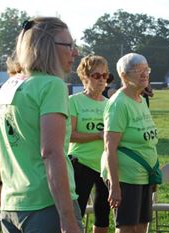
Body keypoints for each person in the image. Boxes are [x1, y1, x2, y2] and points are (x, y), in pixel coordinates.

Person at [0, 17, 82, 232]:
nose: (75, 53)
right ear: (47, 47)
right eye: (69, 45)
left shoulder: (9, 85)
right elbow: (51, 152)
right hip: (47, 205)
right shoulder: (52, 85)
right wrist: (67, 218)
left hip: (11, 205)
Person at [101, 53, 159, 233]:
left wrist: (153, 171)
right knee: (127, 228)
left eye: (146, 69)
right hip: (126, 177)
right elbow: (110, 147)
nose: (144, 74)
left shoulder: (141, 100)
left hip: (144, 176)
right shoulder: (119, 103)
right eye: (138, 70)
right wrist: (115, 187)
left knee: (142, 227)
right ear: (124, 75)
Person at [68, 55, 111, 233]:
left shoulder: (110, 104)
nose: (102, 79)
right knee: (76, 213)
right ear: (85, 77)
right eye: (96, 75)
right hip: (81, 163)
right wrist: (98, 135)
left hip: (105, 166)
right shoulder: (74, 101)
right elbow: (70, 135)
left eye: (105, 75)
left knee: (103, 214)